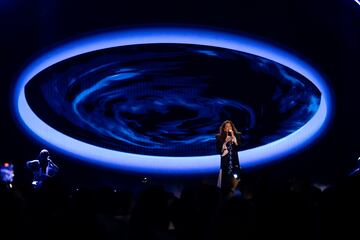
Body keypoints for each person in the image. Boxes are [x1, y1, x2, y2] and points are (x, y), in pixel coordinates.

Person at [215, 120, 241, 194]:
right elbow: (218, 151)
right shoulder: (219, 137)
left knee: (236, 182)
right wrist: (225, 142)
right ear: (224, 129)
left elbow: (238, 147)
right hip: (225, 165)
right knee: (225, 185)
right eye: (226, 127)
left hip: (235, 163)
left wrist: (233, 137)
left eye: (230, 126)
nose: (228, 128)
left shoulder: (237, 135)